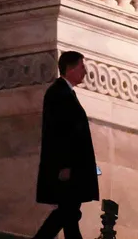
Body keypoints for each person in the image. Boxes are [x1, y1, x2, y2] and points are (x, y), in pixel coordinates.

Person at [32, 51, 100, 239]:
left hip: (73, 168)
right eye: (81, 67)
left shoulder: (65, 92)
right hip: (67, 169)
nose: (85, 72)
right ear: (70, 68)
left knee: (69, 212)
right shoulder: (59, 93)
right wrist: (64, 165)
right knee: (68, 211)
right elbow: (58, 133)